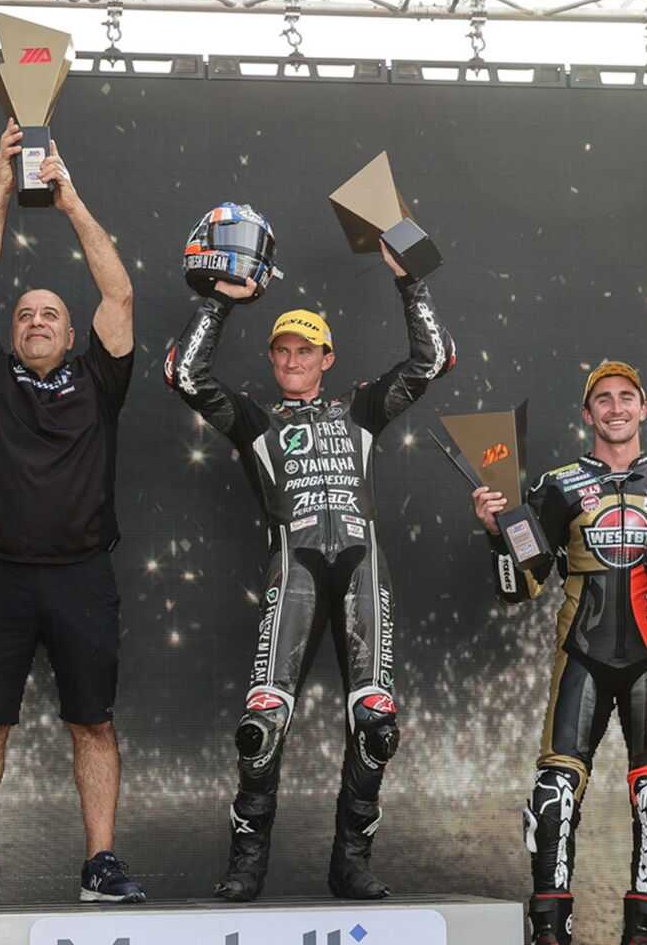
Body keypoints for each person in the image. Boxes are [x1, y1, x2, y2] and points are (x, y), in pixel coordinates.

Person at [165, 209, 455, 902]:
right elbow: (183, 373)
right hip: (291, 570)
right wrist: (219, 298)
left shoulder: (359, 411)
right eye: (282, 352)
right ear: (272, 360)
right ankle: (246, 864)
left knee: (377, 727)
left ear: (327, 360)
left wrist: (409, 284)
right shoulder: (254, 420)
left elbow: (432, 360)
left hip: (363, 568)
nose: (293, 362)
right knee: (260, 730)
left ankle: (351, 862)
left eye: (306, 352)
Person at [470, 361, 647, 945]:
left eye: (626, 398)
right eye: (603, 400)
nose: (615, 408)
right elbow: (520, 587)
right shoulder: (557, 485)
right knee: (552, 800)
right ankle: (550, 933)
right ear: (587, 414)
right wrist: (496, 533)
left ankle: (644, 934)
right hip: (581, 655)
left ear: (643, 409)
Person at [0, 120, 142, 907]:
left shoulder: (102, 380)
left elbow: (119, 292)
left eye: (49, 313)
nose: (33, 321)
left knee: (91, 723)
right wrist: (1, 186)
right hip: (0, 579)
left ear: (73, 330)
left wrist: (68, 201)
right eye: (24, 313)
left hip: (82, 577)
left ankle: (100, 863)